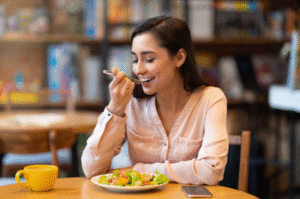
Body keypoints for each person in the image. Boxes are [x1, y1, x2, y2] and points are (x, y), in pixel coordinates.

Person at [81, 16, 228, 185]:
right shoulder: (131, 103)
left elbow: (211, 170)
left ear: (179, 57)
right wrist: (115, 108)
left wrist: (139, 170)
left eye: (149, 59)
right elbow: (91, 169)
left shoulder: (211, 99)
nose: (138, 70)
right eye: (135, 60)